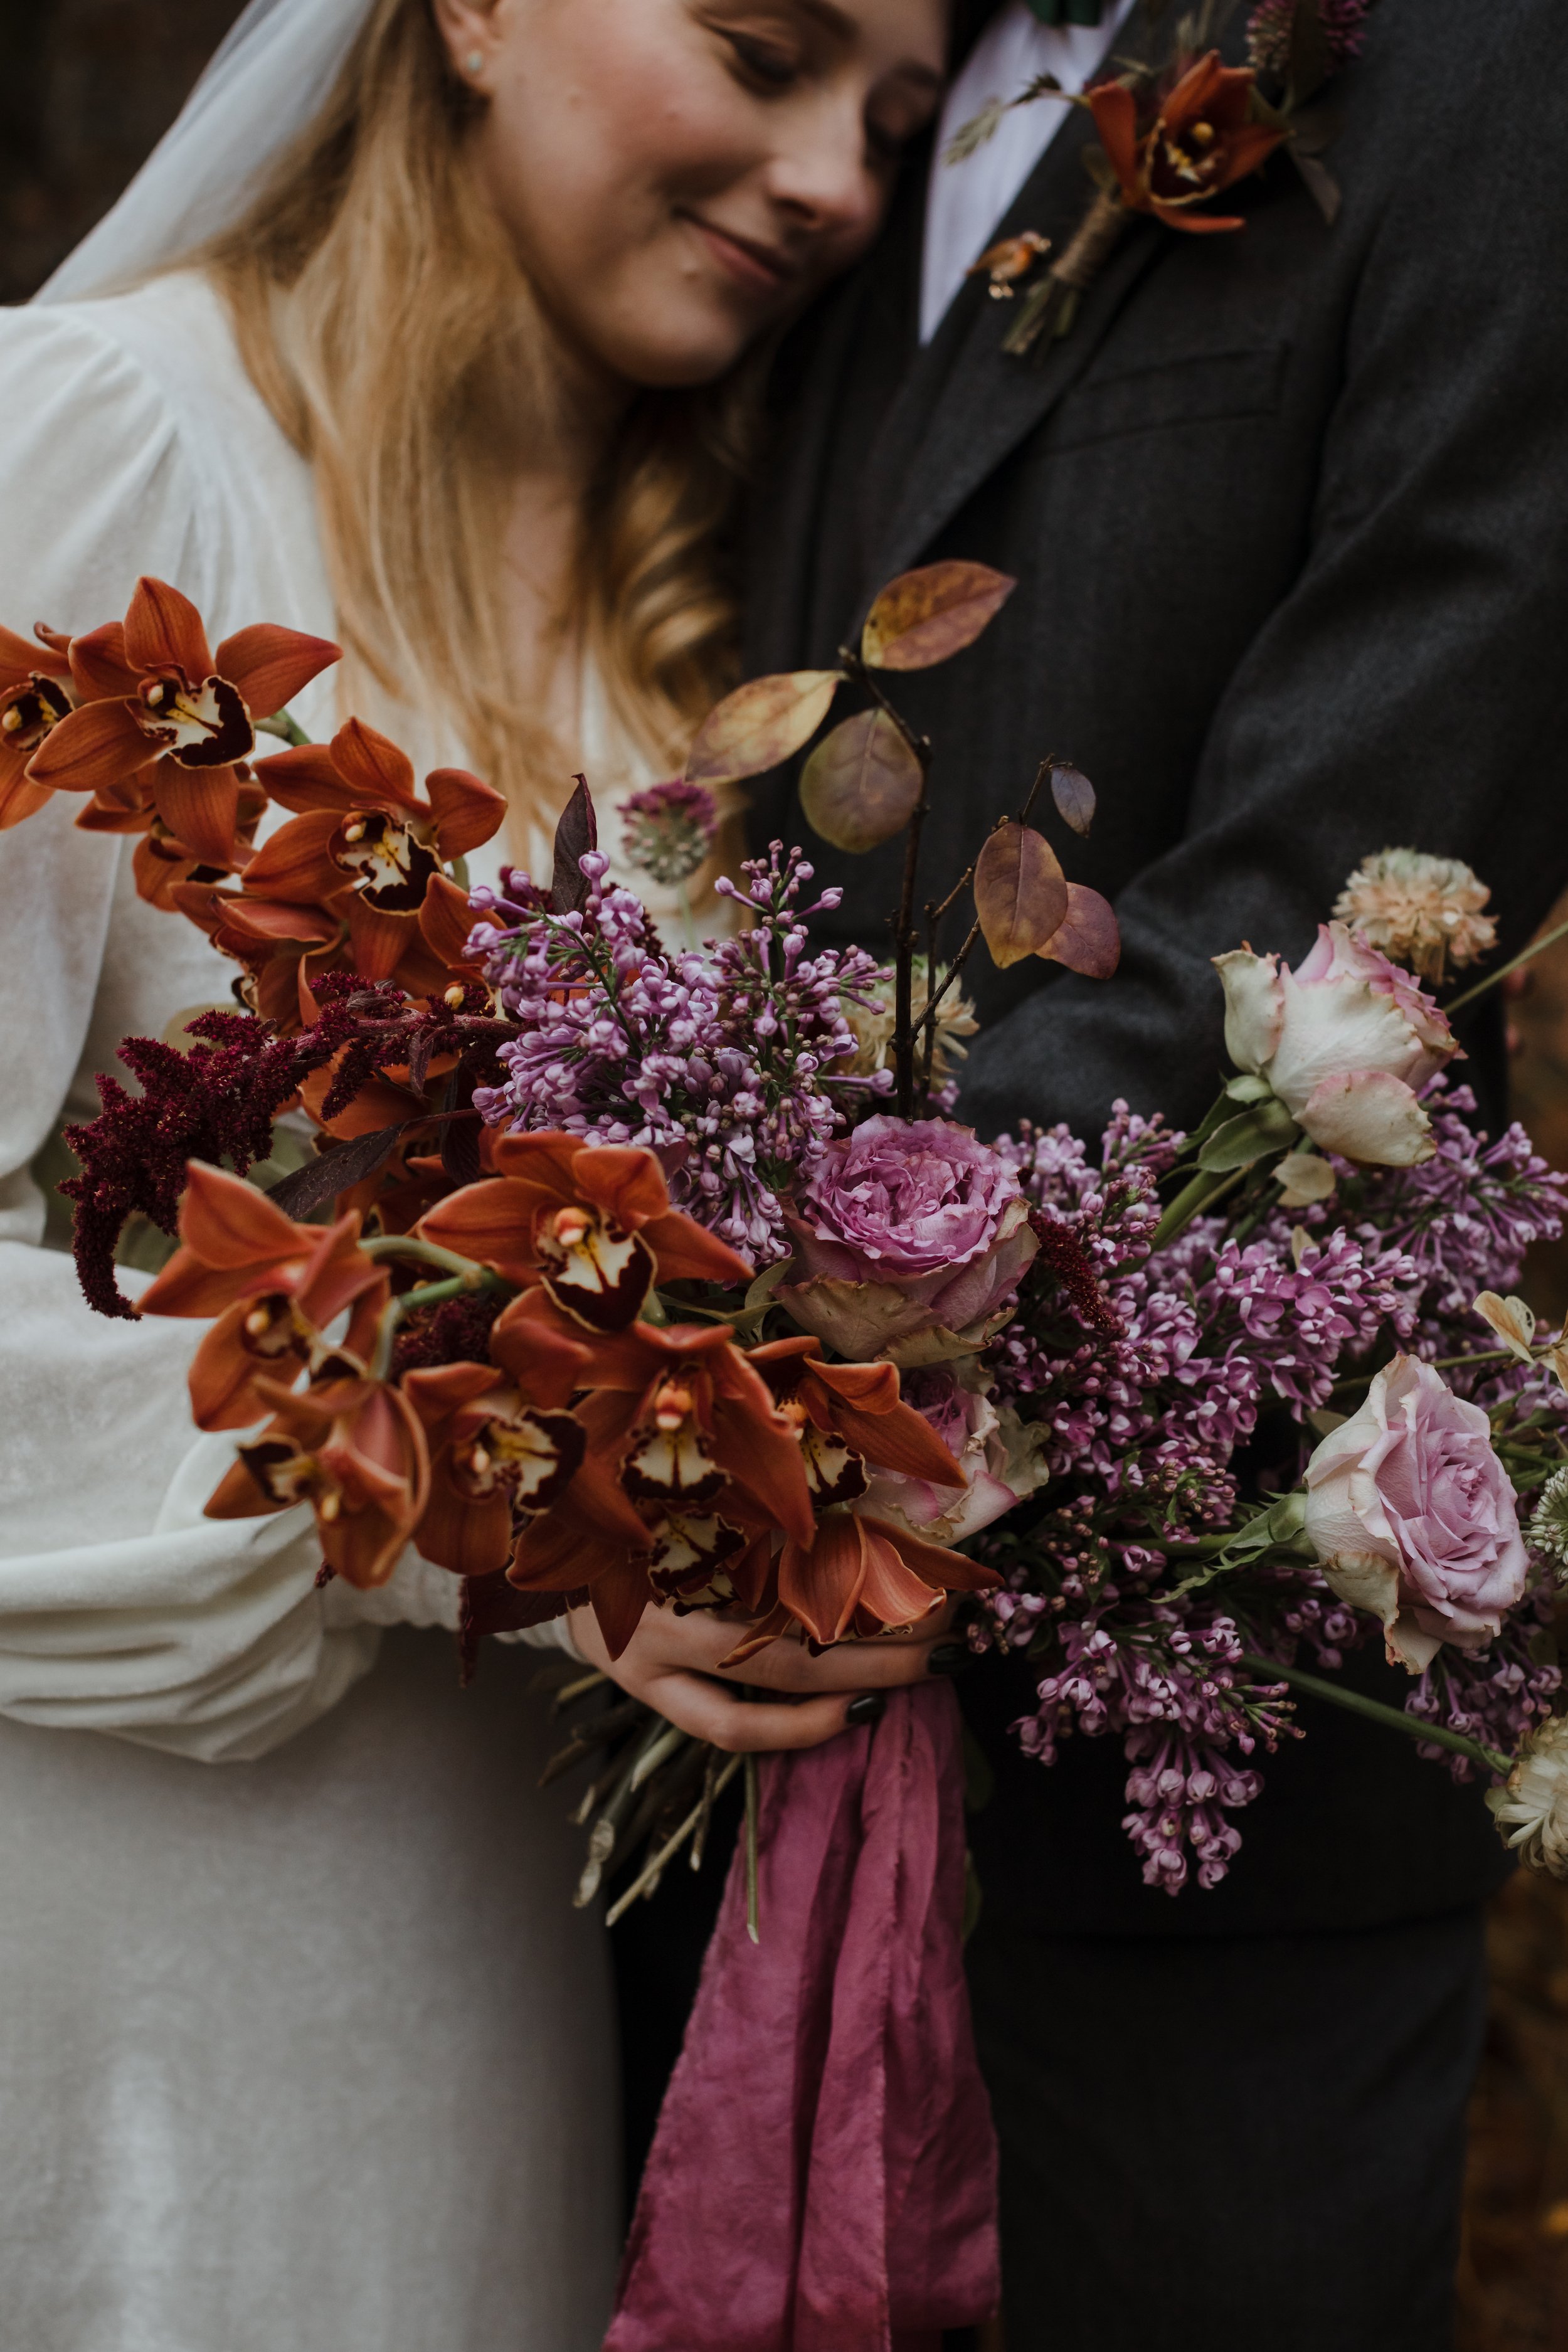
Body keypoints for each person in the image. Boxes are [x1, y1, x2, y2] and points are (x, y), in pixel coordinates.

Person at [0, 3, 948, 2346]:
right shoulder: (109, 442)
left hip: (500, 1956)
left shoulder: (714, 641)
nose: (833, 175)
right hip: (120, 1912)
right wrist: (490, 1499)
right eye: (763, 47)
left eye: (896, 122)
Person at [722, 0, 1568, 2346]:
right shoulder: (857, 82)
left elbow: (1384, 832)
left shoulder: (1482, 66)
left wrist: (743, 1269)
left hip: (1210, 1744)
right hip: (714, 1686)